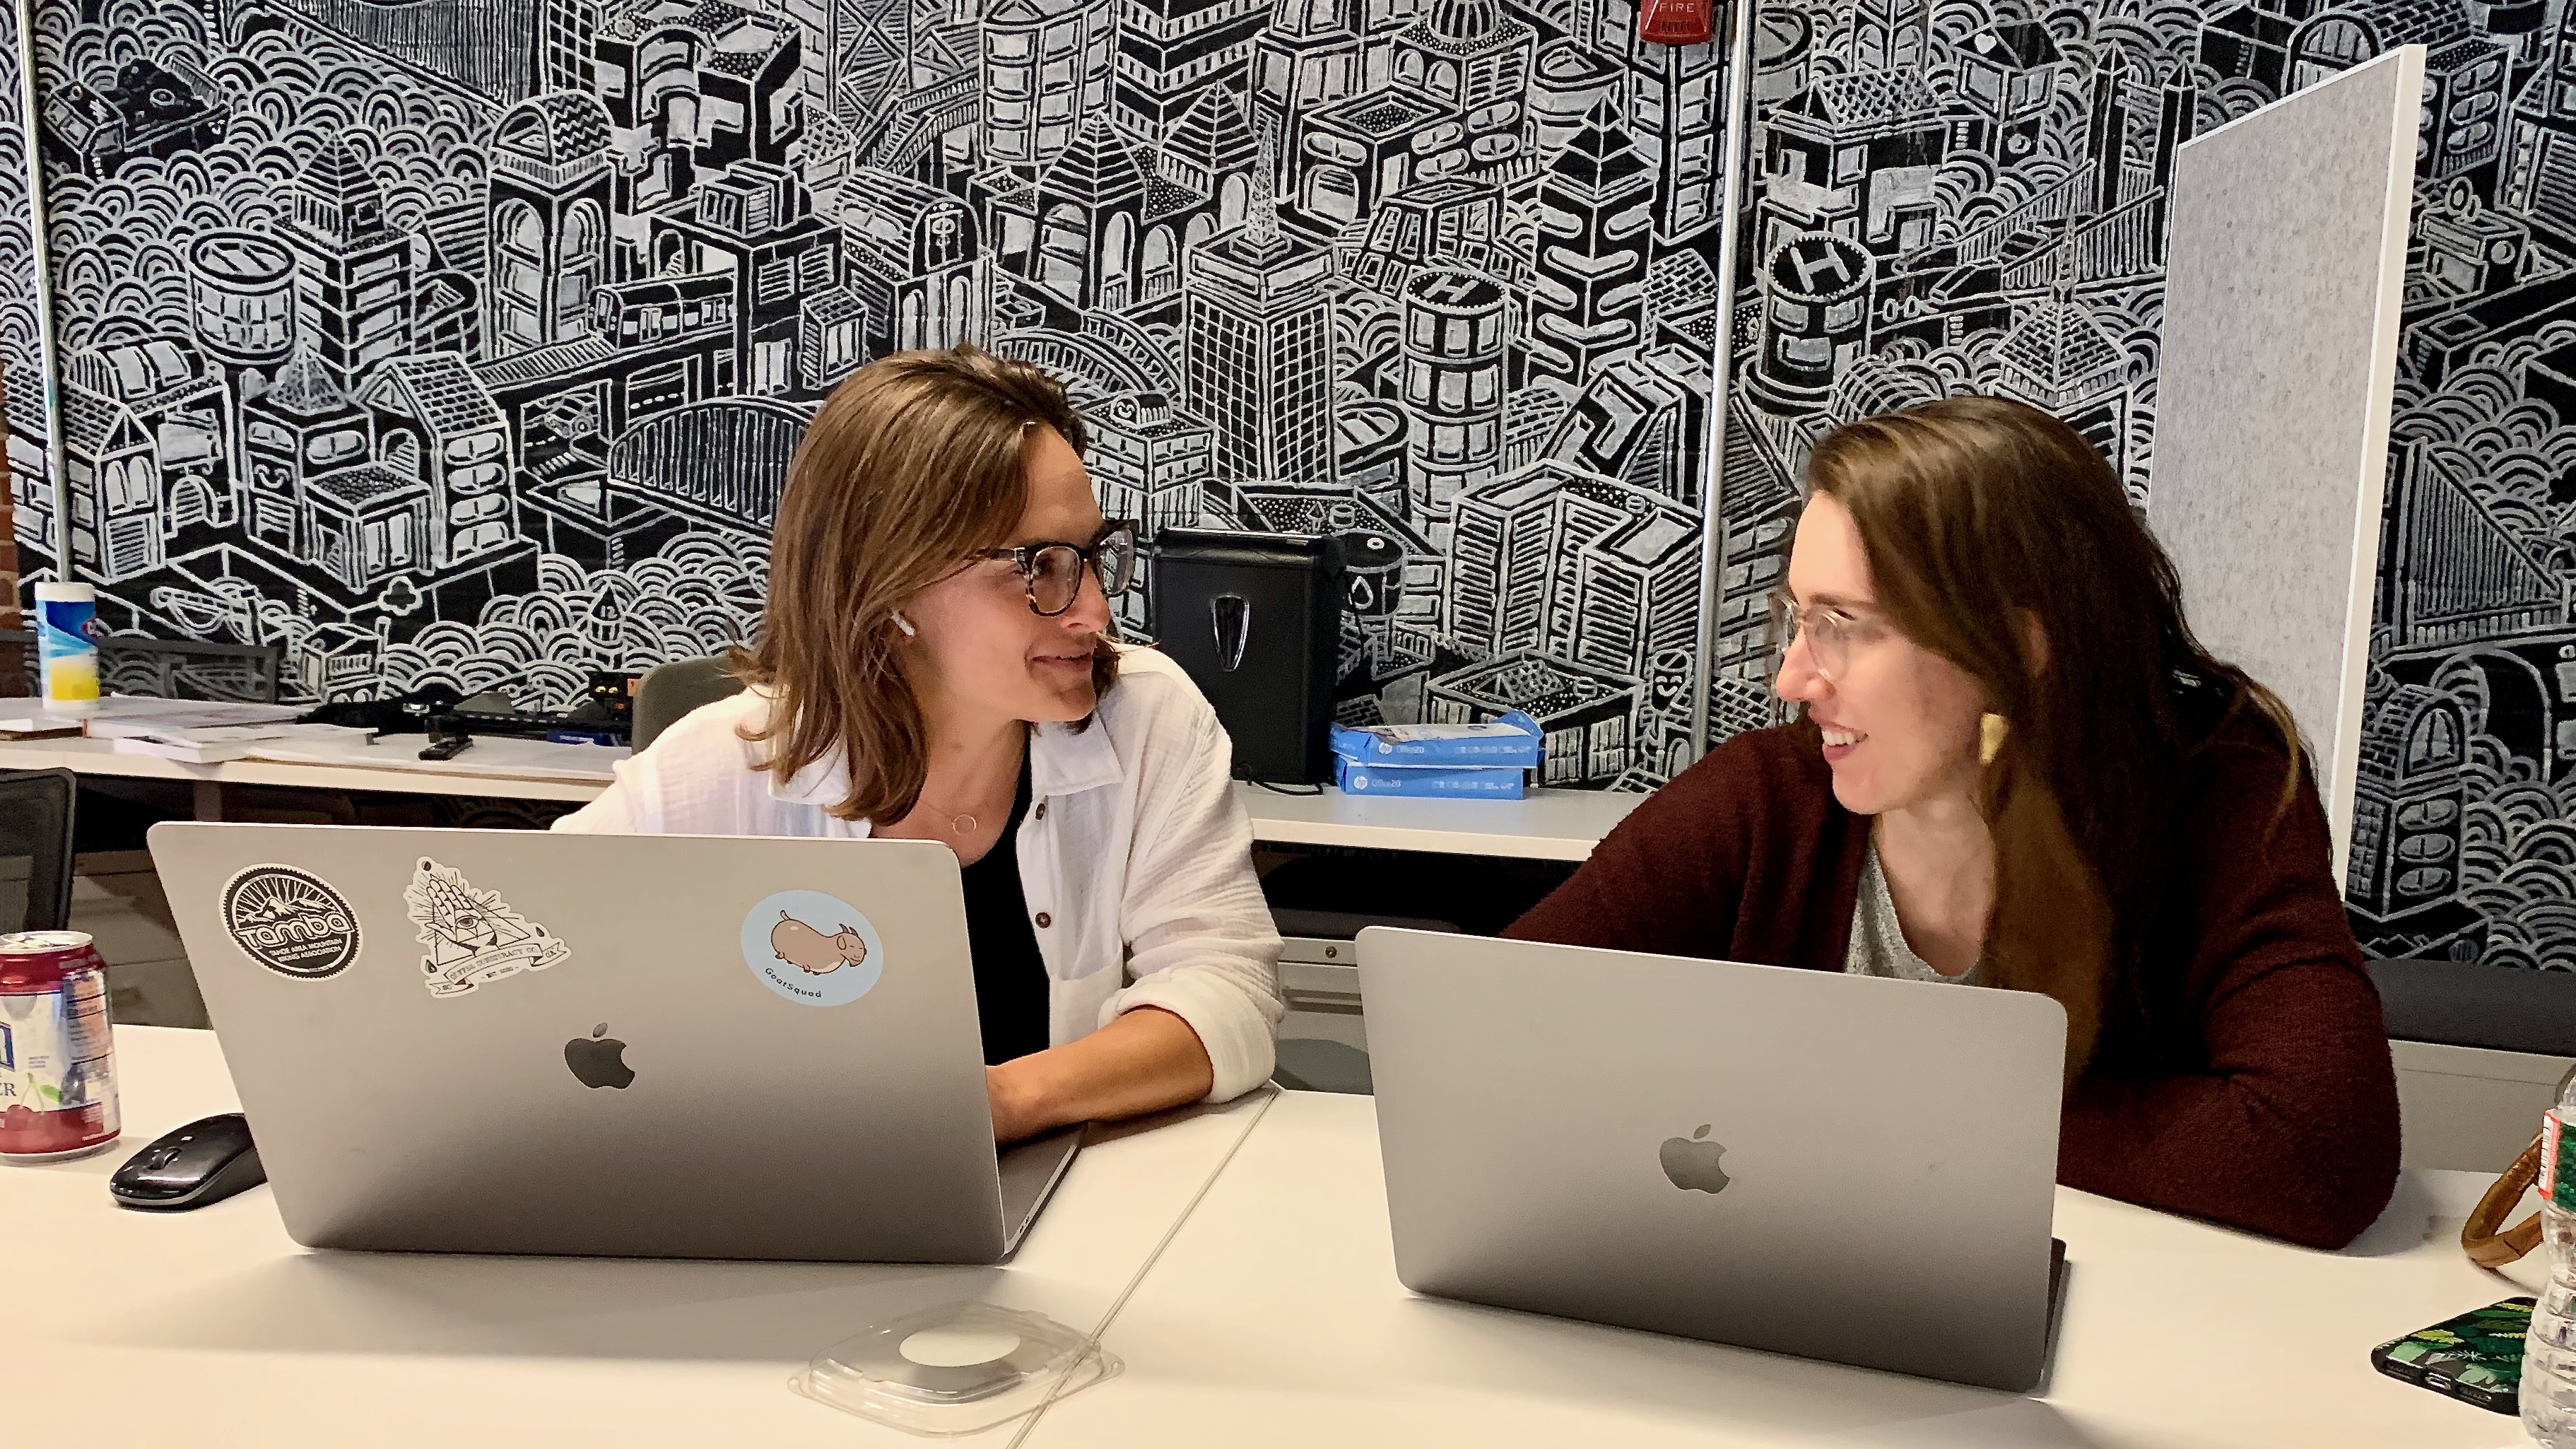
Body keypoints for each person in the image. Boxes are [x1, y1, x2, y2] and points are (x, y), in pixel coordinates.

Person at [1506, 395, 2401, 1250]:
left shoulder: (2215, 793)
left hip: (2115, 1318)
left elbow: (2319, 1149)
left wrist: (1873, 1103)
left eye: (1842, 624)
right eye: (1797, 619)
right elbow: (1496, 1030)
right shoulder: (1765, 800)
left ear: (2014, 646)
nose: (1793, 678)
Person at [556, 346, 1283, 1142]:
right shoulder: (720, 765)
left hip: (1069, 1189)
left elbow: (1228, 993)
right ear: (891, 582)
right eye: (1038, 566)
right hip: (785, 1184)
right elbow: (526, 959)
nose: (1094, 611)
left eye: (1092, 555)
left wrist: (1000, 1103)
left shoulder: (1147, 717)